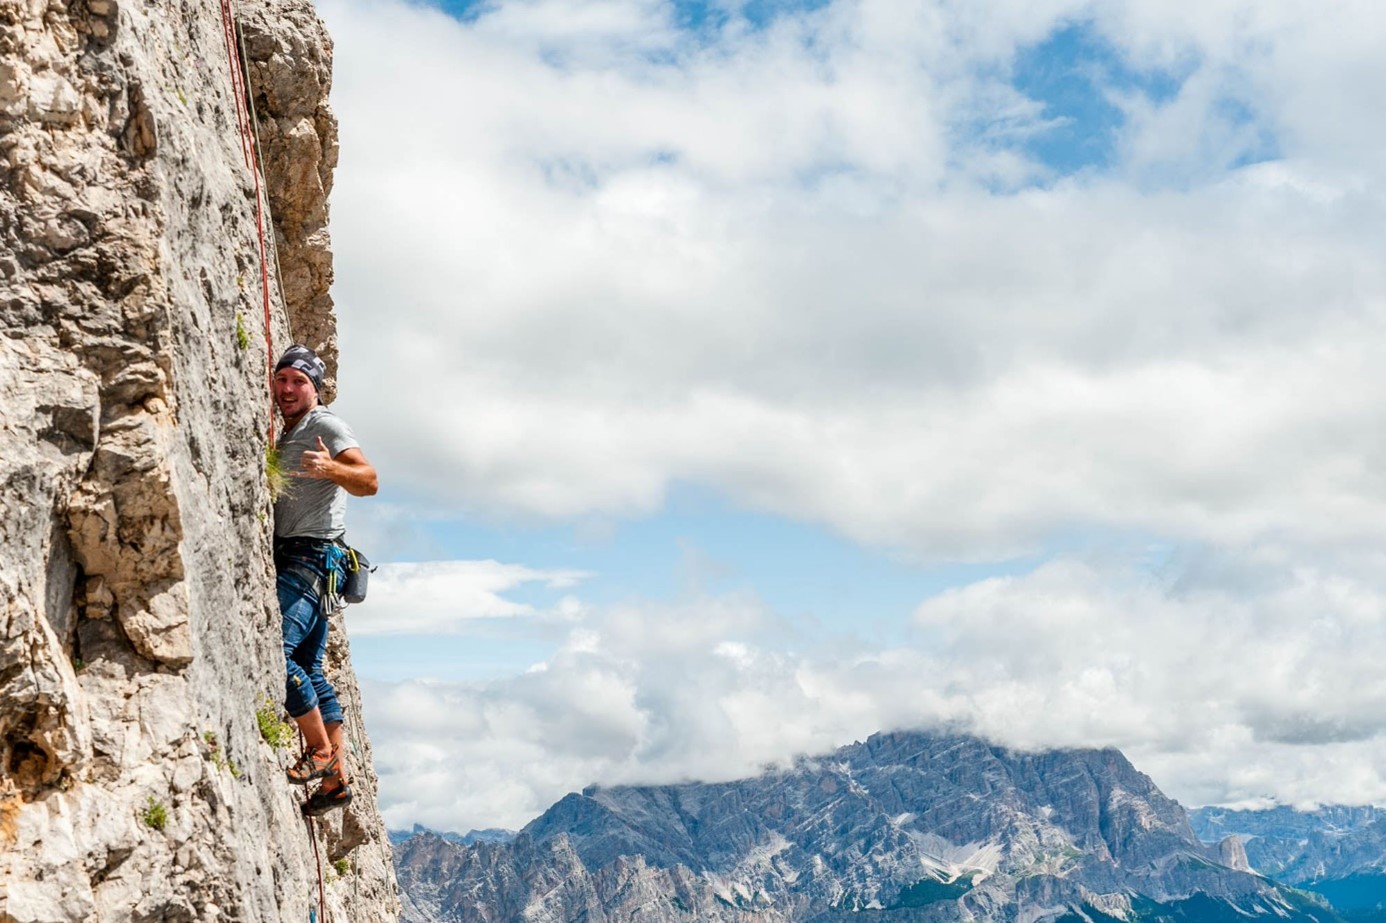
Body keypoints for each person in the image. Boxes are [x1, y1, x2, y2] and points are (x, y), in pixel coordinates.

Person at [271, 344, 378, 816]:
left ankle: (318, 751)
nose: (288, 388)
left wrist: (329, 468)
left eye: (299, 381)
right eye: (283, 379)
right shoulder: (293, 430)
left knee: (277, 651)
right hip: (316, 562)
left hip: (308, 557)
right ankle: (335, 781)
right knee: (311, 671)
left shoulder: (325, 424)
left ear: (315, 389)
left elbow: (369, 479)